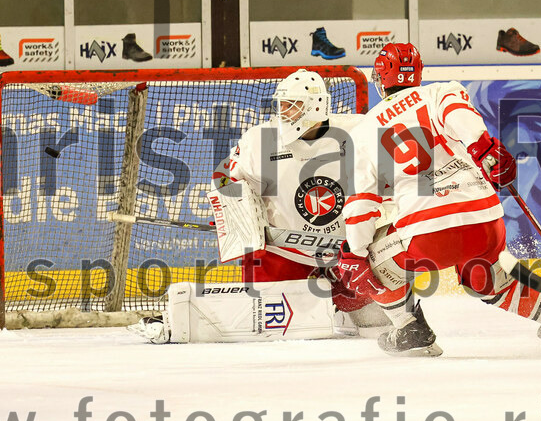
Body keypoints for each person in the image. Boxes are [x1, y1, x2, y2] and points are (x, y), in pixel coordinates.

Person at [334, 43, 541, 357]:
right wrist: (483, 146)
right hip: (485, 224)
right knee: (485, 277)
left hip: (427, 236)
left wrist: (355, 254)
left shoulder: (366, 127)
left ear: (380, 79)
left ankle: (409, 328)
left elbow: (361, 205)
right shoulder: (442, 91)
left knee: (364, 258)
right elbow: (459, 115)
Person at [131, 69, 391, 343]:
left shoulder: (359, 131)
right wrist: (239, 216)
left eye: (294, 105)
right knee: (266, 320)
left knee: (376, 321)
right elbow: (224, 178)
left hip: (345, 254)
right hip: (284, 252)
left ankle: (342, 306)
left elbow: (393, 179)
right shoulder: (261, 139)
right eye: (282, 105)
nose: (285, 113)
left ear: (316, 106)